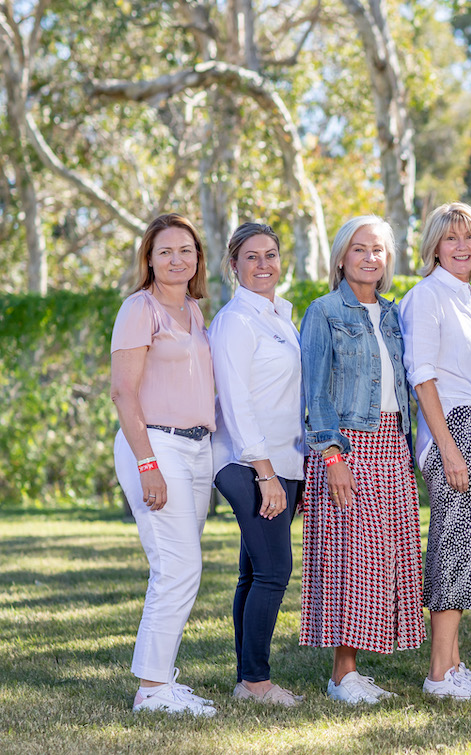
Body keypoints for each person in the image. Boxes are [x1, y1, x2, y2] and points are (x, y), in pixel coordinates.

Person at [299, 215, 425, 704]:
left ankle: (352, 674)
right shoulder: (324, 311)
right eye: (359, 249)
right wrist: (332, 455)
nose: (370, 257)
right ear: (341, 257)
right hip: (349, 447)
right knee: (355, 560)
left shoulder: (393, 315)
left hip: (393, 446)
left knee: (386, 562)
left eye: (378, 249)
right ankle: (342, 677)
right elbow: (315, 389)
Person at [399, 201, 471, 700]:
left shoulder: (465, 295)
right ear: (434, 247)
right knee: (454, 546)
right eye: (450, 239)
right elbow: (421, 375)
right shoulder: (427, 297)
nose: (462, 246)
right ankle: (439, 675)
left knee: (469, 548)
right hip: (453, 428)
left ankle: (453, 665)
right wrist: (446, 447)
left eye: (469, 237)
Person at [110, 213, 217, 717]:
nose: (177, 259)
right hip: (156, 446)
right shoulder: (140, 308)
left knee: (178, 568)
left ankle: (161, 682)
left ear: (198, 258)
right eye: (166, 251)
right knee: (178, 567)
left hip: (197, 449)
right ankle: (152, 689)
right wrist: (147, 462)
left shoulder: (195, 311)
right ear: (149, 259)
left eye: (187, 250)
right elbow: (122, 392)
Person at [210, 222, 305, 706]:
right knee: (273, 571)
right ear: (234, 265)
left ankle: (247, 677)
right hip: (248, 463)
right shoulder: (234, 322)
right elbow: (237, 403)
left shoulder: (281, 317)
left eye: (270, 254)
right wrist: (266, 475)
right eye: (252, 256)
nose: (263, 264)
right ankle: (256, 682)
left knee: (253, 573)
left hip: (285, 462)